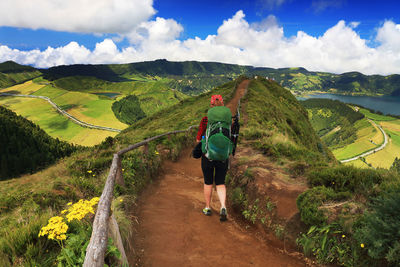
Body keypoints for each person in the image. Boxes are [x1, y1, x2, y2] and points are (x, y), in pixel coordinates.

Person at [196, 94, 232, 222]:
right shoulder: (228, 119)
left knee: (208, 182)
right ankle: (223, 206)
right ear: (223, 104)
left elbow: (198, 138)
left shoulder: (206, 119)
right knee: (220, 183)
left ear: (211, 105)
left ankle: (207, 207)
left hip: (208, 156)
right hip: (223, 155)